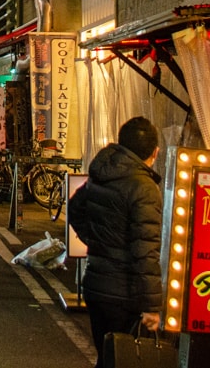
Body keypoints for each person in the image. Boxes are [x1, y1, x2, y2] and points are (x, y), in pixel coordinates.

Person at [66, 116, 164, 368]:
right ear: (155, 152)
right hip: (124, 292)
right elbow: (145, 252)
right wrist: (152, 306)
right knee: (122, 359)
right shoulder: (144, 188)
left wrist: (95, 240)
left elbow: (75, 208)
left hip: (96, 284)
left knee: (107, 356)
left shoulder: (102, 173)